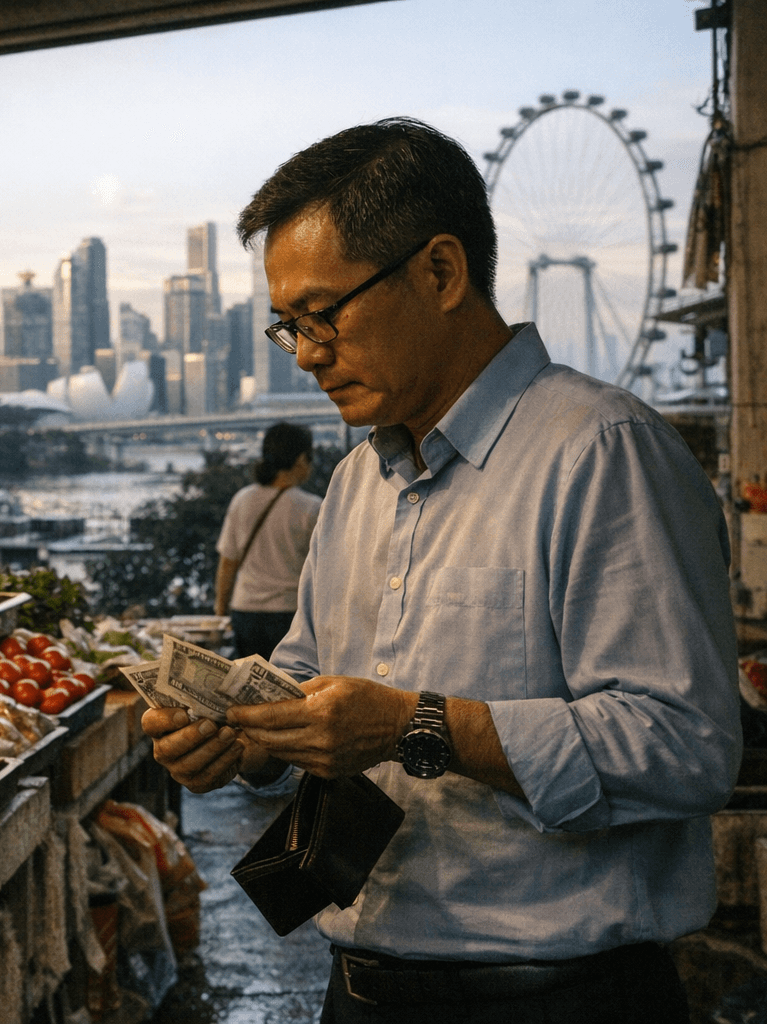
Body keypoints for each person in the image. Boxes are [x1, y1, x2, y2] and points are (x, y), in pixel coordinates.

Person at [146, 118, 738, 1023]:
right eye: (286, 326)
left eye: (324, 314)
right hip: (357, 988)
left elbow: (684, 746)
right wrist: (246, 739)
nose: (305, 354)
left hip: (554, 1001)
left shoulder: (601, 454)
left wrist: (414, 726)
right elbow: (307, 678)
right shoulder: (354, 484)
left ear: (441, 272)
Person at [213, 422, 321, 660]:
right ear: (302, 459)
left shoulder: (242, 499)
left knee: (248, 689)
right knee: (289, 689)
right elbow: (323, 571)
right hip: (289, 614)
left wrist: (221, 610)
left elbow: (227, 562)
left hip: (245, 612)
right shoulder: (311, 508)